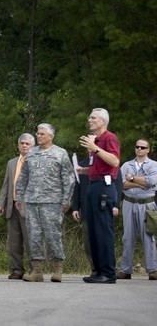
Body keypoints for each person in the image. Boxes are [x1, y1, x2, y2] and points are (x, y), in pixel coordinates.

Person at [15, 123, 74, 282]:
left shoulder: (60, 153)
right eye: (38, 133)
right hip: (32, 202)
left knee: (53, 235)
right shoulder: (32, 153)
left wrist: (66, 200)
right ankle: (37, 271)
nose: (38, 136)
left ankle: (58, 269)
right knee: (34, 236)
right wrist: (19, 197)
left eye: (42, 134)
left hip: (52, 203)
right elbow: (23, 177)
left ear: (51, 136)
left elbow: (68, 178)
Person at [78, 108, 120, 284]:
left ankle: (109, 273)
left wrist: (95, 148)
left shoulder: (109, 138)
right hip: (94, 185)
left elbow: (115, 161)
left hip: (104, 187)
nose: (89, 120)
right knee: (94, 230)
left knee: (103, 230)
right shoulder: (96, 141)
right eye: (89, 117)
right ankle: (98, 270)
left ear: (103, 121)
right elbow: (101, 166)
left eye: (93, 118)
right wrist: (85, 170)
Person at [116, 138, 157, 280]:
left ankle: (152, 269)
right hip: (129, 203)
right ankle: (126, 269)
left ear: (148, 150)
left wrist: (132, 178)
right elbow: (120, 184)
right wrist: (140, 183)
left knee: (149, 237)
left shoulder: (153, 165)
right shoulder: (126, 165)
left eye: (143, 147)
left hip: (147, 204)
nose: (139, 149)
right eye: (137, 146)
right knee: (128, 237)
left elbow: (151, 182)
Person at [0, 133, 35, 280]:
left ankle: (34, 269)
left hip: (28, 206)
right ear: (18, 145)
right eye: (22, 143)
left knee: (30, 239)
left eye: (27, 144)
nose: (24, 146)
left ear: (33, 146)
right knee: (14, 241)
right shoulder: (11, 163)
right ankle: (17, 269)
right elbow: (6, 185)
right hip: (12, 206)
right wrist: (1, 203)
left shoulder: (34, 161)